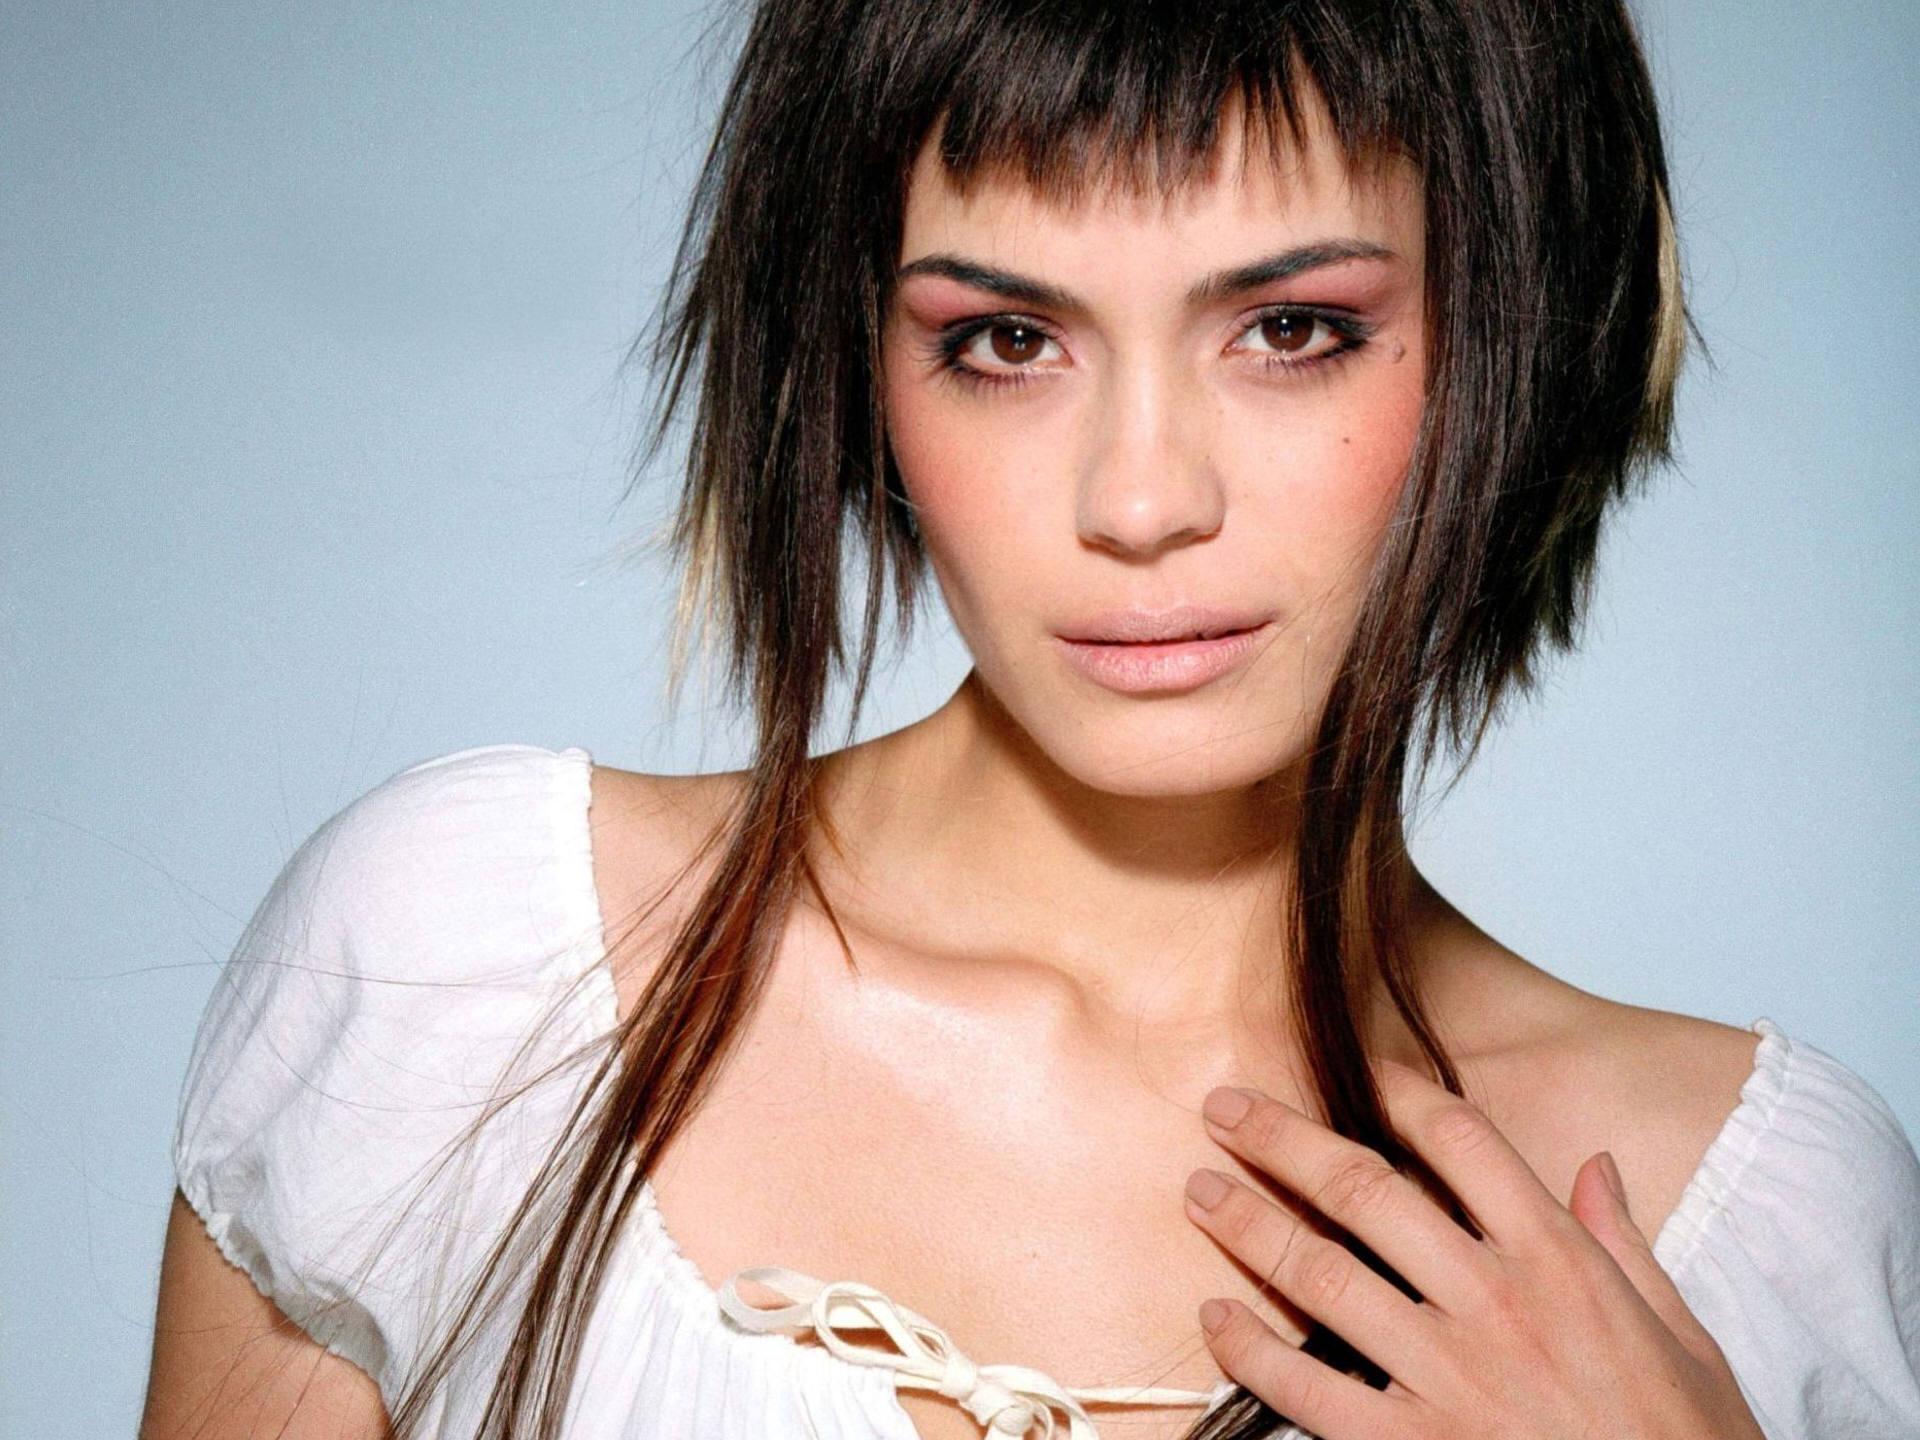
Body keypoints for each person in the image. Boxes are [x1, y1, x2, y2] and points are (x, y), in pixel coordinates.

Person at [140, 2, 1920, 1438]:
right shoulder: (479, 977)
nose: (1138, 501)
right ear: (860, 365)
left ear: (1526, 333)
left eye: (1294, 327)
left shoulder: (1760, 1228)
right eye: (1005, 340)